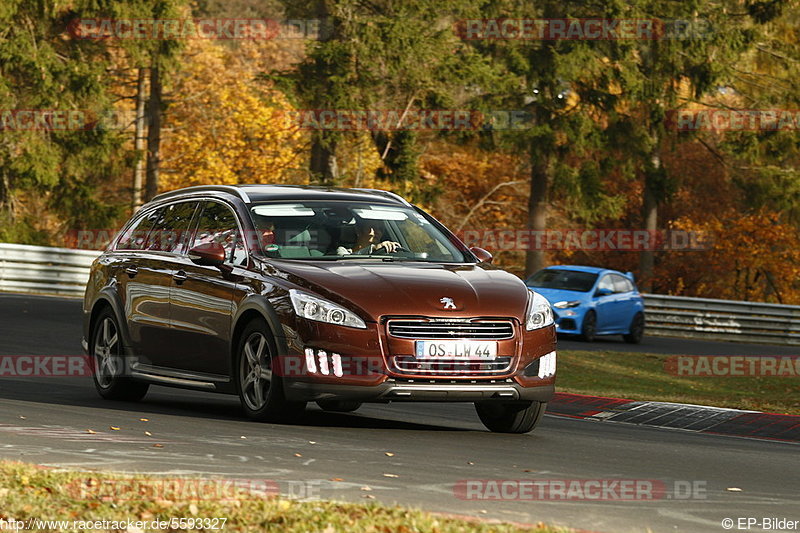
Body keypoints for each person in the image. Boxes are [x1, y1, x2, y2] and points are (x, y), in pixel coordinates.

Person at [337, 219, 401, 255]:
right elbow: (346, 263)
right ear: (358, 230)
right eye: (372, 228)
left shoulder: (386, 255)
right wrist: (373, 248)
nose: (377, 232)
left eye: (380, 229)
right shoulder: (342, 251)